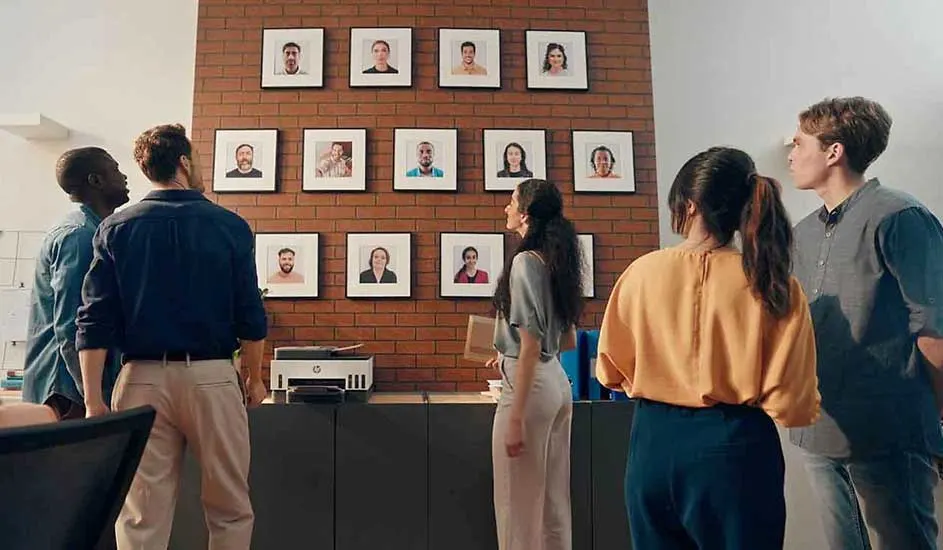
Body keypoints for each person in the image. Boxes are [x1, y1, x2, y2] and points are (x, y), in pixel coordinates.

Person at [596, 146, 821, 549]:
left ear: (691, 204)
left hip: (652, 443)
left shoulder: (640, 274)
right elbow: (793, 405)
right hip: (735, 447)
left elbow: (610, 371)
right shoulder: (776, 287)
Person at [76, 123, 268, 550]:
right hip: (212, 378)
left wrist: (93, 399)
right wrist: (253, 377)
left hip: (141, 379)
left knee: (142, 512)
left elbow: (94, 318)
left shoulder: (115, 228)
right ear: (183, 162)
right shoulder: (230, 226)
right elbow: (250, 315)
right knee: (229, 507)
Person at [787, 96, 943, 550]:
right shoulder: (804, 231)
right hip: (819, 427)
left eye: (799, 143)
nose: (792, 154)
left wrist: (933, 421)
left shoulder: (901, 217)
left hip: (890, 431)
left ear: (834, 152)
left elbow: (934, 327)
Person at [488, 178, 583, 550]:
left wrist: (515, 418)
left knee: (517, 508)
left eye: (511, 202)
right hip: (558, 384)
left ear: (525, 214)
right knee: (552, 506)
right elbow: (568, 341)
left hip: (529, 390)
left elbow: (529, 349)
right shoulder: (557, 260)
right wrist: (507, 348)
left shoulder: (526, 262)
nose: (506, 208)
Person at [22, 147, 129, 421]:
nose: (124, 176)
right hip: (67, 395)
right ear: (96, 180)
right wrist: (94, 398)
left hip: (72, 392)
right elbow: (73, 324)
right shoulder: (80, 237)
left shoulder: (94, 231)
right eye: (116, 170)